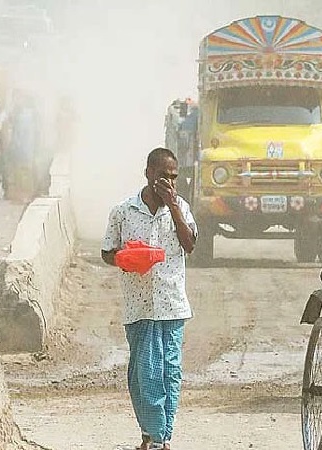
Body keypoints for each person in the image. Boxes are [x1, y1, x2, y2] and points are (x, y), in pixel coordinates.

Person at [101, 147, 197, 450]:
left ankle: (160, 438)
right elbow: (107, 251)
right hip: (139, 305)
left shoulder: (180, 206)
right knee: (145, 374)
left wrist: (174, 206)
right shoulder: (124, 211)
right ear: (148, 173)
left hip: (172, 304)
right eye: (162, 176)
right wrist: (126, 258)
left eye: (173, 178)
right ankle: (152, 433)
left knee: (170, 372)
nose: (168, 183)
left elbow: (189, 244)